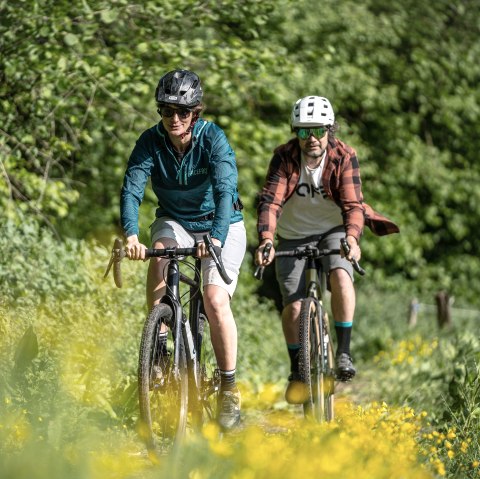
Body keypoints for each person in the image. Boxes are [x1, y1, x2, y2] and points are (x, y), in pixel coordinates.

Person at [120, 69, 246, 430]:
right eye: (166, 111)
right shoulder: (150, 142)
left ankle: (229, 389)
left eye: (183, 112)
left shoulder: (214, 140)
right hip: (175, 220)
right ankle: (158, 345)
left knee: (214, 298)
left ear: (196, 112)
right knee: (160, 249)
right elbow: (132, 190)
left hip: (222, 225)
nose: (174, 119)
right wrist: (131, 236)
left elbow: (225, 193)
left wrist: (216, 239)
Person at [255, 95, 399, 403]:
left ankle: (344, 352)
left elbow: (353, 204)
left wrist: (353, 239)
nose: (312, 138)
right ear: (296, 132)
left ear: (329, 129)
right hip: (292, 235)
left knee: (341, 276)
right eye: (304, 131)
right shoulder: (284, 157)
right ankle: (297, 370)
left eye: (318, 130)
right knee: (293, 306)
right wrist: (267, 239)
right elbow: (271, 202)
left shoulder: (344, 155)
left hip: (334, 231)